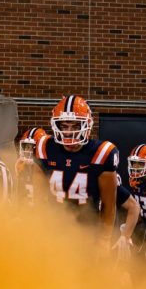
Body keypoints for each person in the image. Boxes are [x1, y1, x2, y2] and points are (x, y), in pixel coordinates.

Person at [34, 95, 119, 246]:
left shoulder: (101, 153)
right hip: (53, 228)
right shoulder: (45, 147)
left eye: (75, 126)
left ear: (87, 125)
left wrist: (104, 239)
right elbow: (39, 197)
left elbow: (109, 205)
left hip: (87, 231)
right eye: (64, 126)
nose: (68, 132)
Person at [14, 126, 47, 204]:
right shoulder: (20, 164)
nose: (27, 151)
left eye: (31, 147)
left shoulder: (49, 166)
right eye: (26, 147)